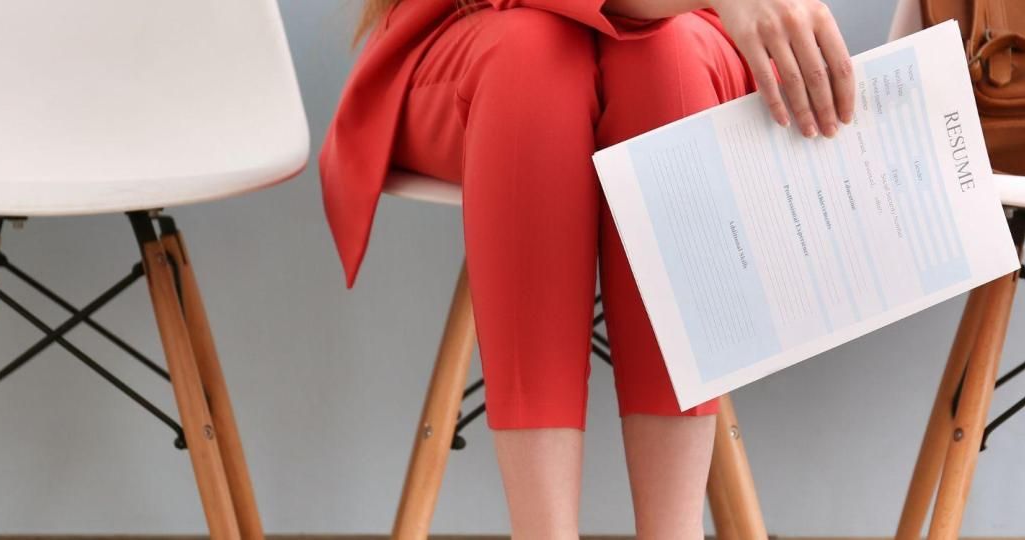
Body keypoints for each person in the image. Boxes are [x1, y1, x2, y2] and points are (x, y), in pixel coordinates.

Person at [321, 0, 854, 534]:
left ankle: (675, 530)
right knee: (533, 56)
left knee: (666, 56)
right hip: (479, 30)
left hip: (694, 33)